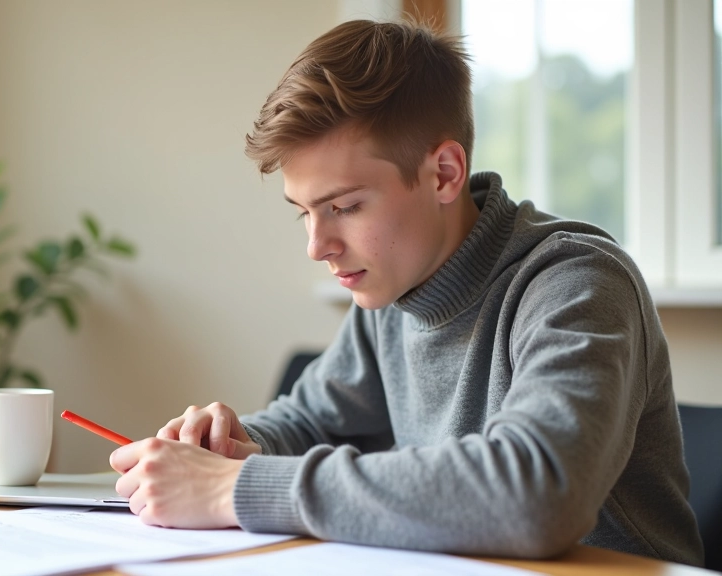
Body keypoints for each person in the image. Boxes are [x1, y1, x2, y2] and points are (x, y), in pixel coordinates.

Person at [108, 19, 704, 566]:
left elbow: (538, 495)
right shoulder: (392, 289)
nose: (318, 247)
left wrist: (231, 489)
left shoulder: (577, 283)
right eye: (304, 213)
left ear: (443, 172)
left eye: (343, 206)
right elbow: (314, 420)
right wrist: (235, 445)